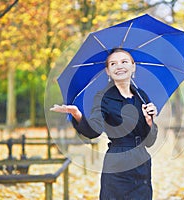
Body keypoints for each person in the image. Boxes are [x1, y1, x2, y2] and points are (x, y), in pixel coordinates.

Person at [50, 48, 158, 199]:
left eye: (124, 62)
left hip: (142, 163)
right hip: (117, 164)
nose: (119, 66)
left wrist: (149, 121)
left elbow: (150, 141)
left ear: (133, 67)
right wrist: (77, 114)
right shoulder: (103, 97)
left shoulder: (142, 96)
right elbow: (94, 131)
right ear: (108, 71)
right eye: (113, 64)